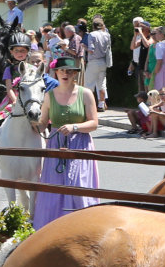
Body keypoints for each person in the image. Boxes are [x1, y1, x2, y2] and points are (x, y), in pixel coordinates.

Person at [33, 55, 99, 228]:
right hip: (56, 145)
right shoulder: (49, 96)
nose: (65, 74)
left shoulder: (85, 94)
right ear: (56, 73)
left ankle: (83, 226)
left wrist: (74, 127)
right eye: (62, 70)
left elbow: (94, 123)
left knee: (79, 187)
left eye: (69, 71)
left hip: (80, 145)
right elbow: (42, 124)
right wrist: (30, 122)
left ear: (75, 74)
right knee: (55, 189)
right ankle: (51, 227)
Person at [83, 16, 112, 111]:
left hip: (94, 61)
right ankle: (101, 104)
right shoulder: (106, 35)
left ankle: (89, 105)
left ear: (93, 26)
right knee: (102, 84)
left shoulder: (92, 35)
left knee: (89, 84)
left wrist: (84, 47)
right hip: (103, 60)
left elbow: (91, 50)